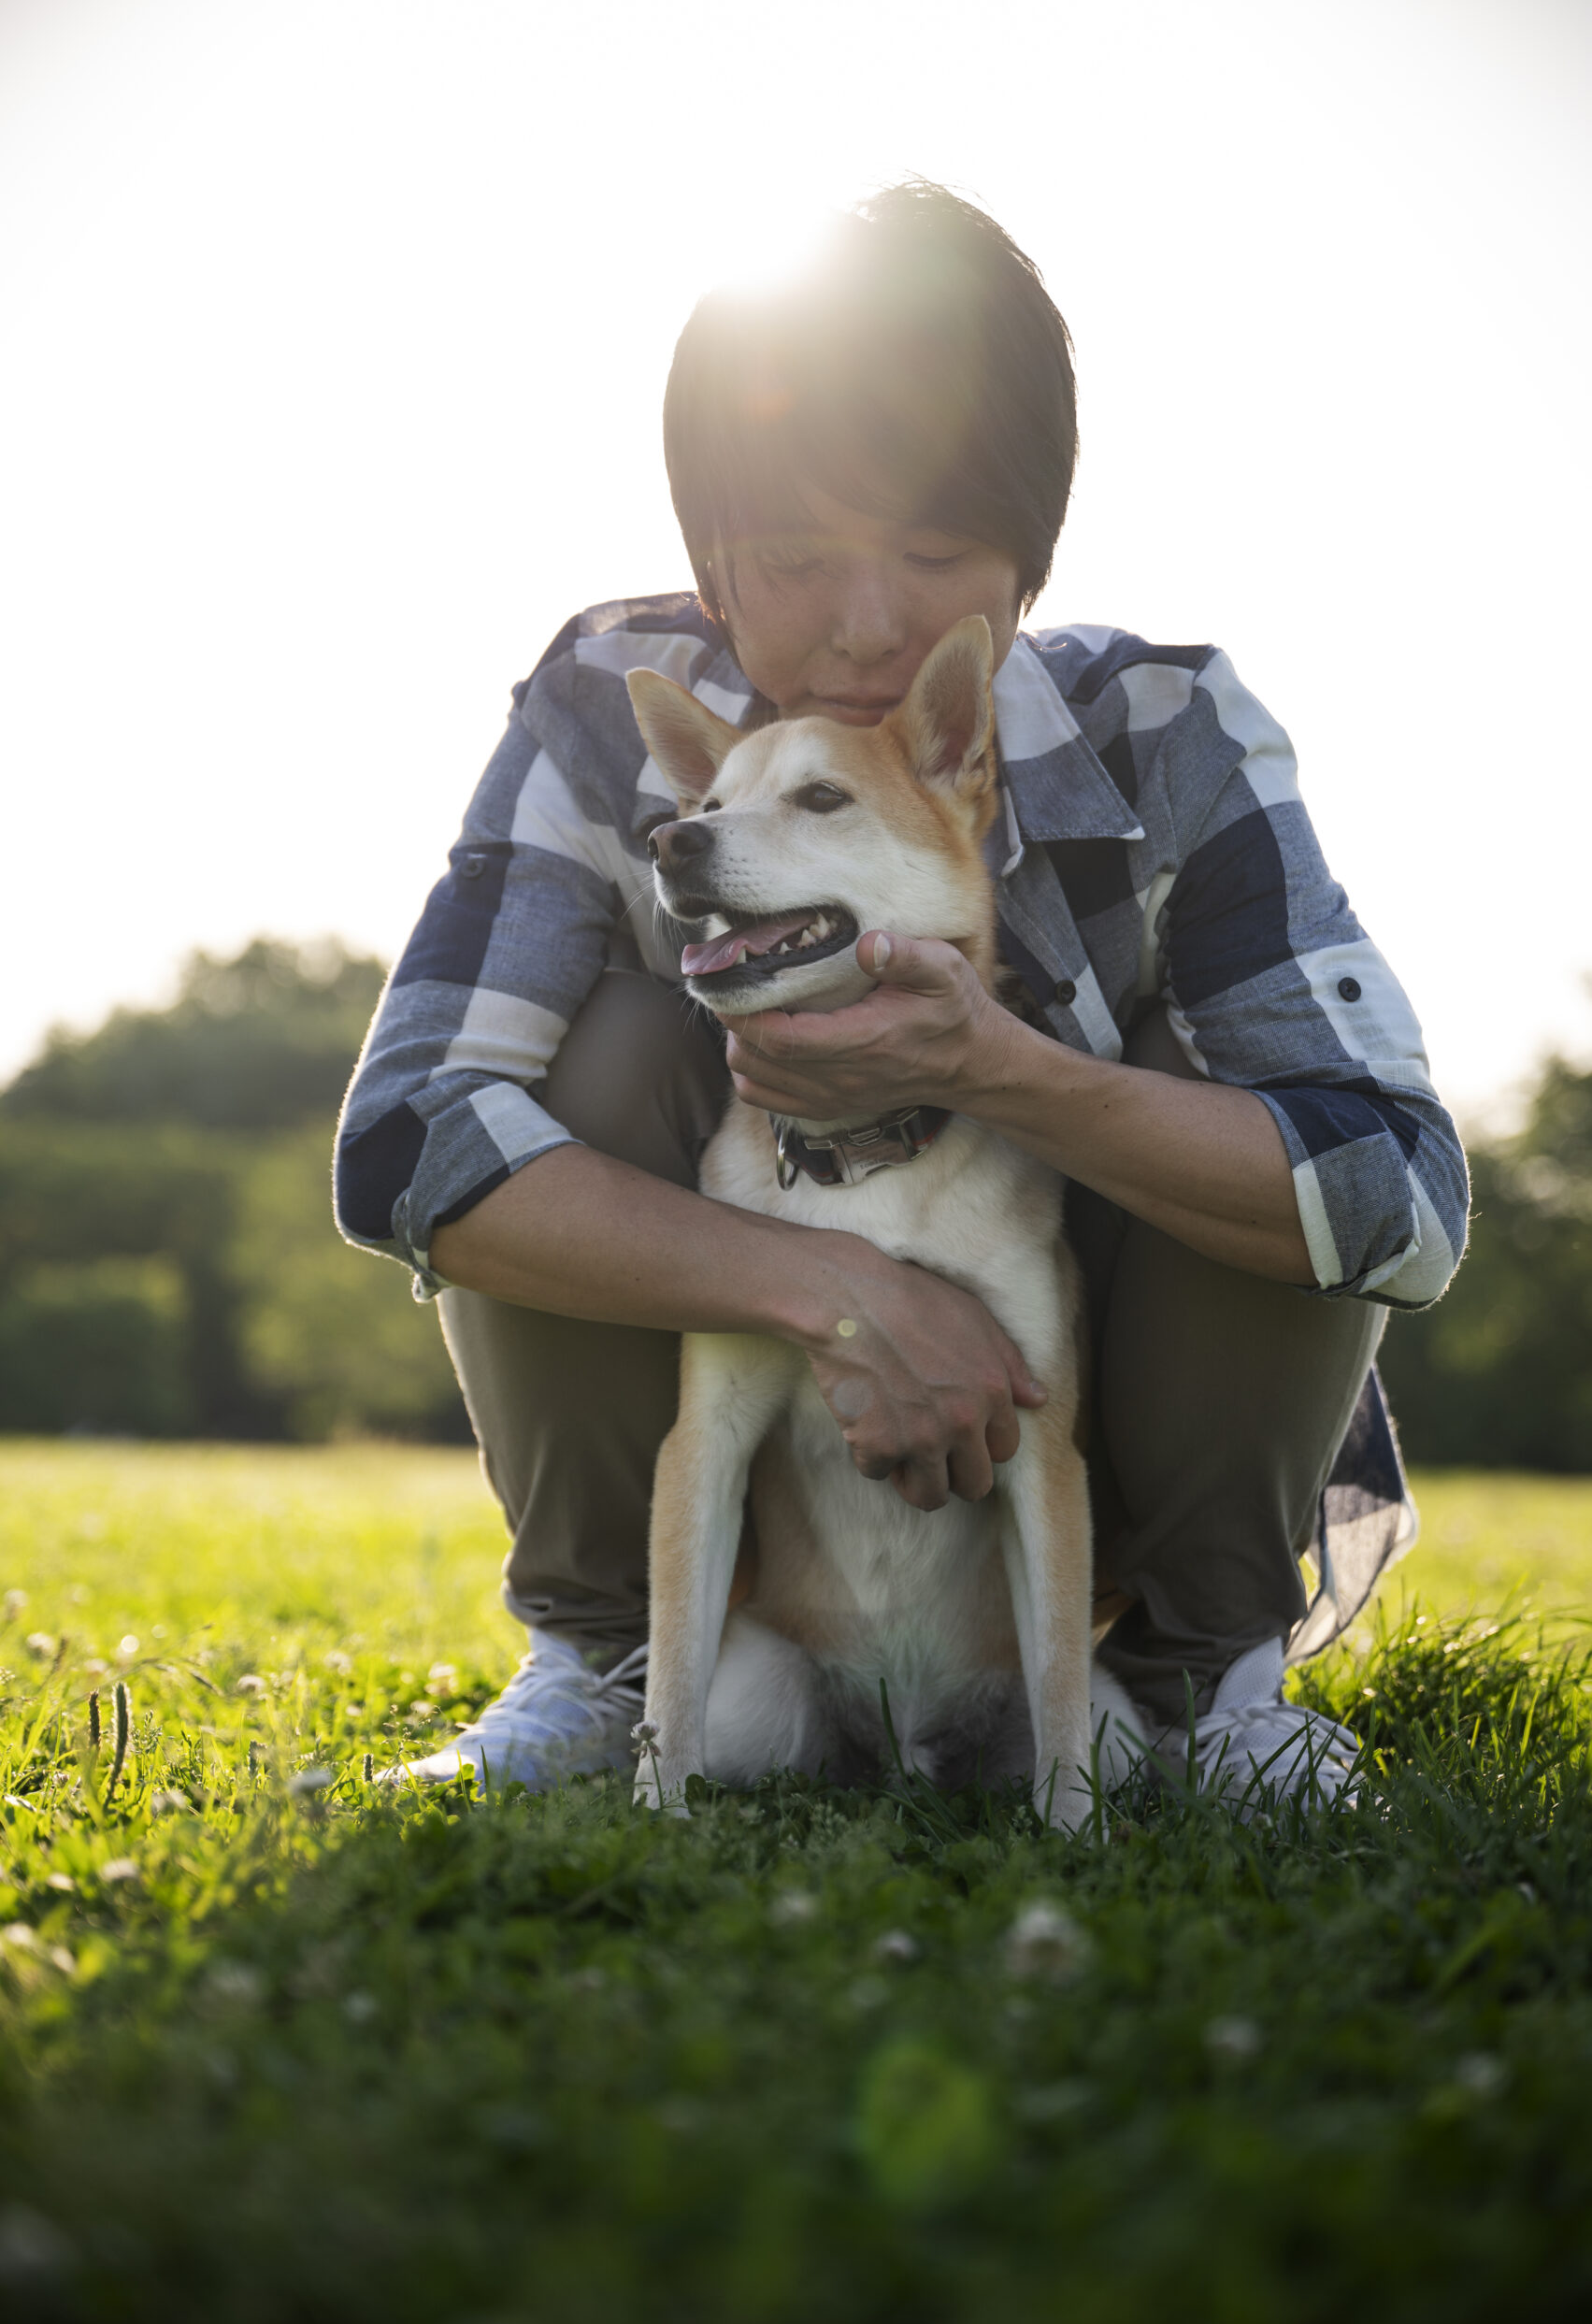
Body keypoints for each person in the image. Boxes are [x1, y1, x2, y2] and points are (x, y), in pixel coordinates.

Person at [334, 182, 1468, 1808]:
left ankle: (1206, 1682)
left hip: (1100, 1437)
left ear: (1030, 557)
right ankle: (612, 1662)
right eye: (797, 560)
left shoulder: (1173, 729)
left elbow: (1400, 1196)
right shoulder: (604, 708)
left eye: (936, 551)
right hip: (769, 1463)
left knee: (1245, 1101)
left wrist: (1006, 1072)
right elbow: (405, 1147)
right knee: (614, 1045)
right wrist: (837, 1298)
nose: (870, 628)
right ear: (713, 568)